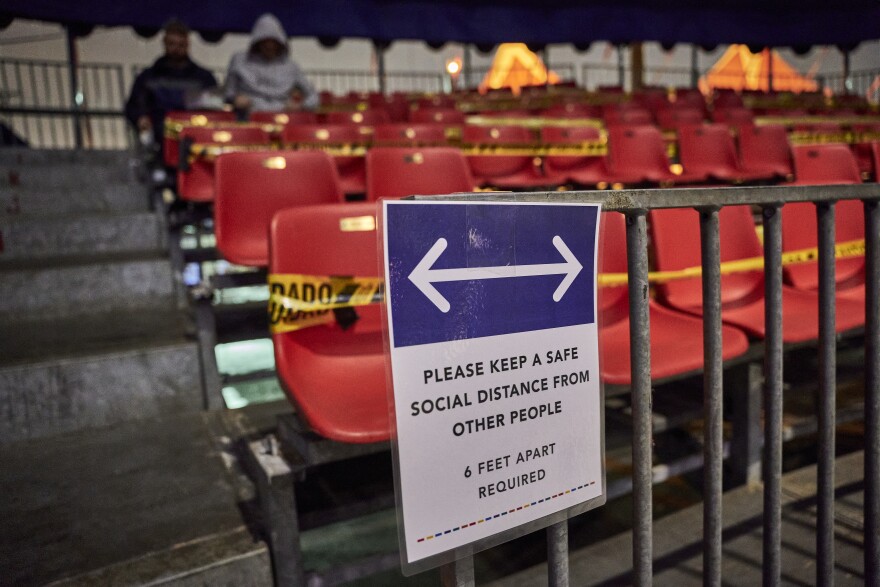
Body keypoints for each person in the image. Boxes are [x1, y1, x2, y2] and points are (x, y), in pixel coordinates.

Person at [125, 19, 218, 149]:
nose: (176, 49)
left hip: (195, 139)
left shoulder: (203, 79)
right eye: (172, 44)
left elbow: (215, 109)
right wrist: (140, 118)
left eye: (181, 45)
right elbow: (134, 106)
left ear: (187, 44)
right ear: (164, 43)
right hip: (159, 140)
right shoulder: (148, 77)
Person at [224, 13, 320, 115]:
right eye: (265, 42)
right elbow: (228, 93)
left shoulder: (292, 67)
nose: (269, 46)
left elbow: (313, 97)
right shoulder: (239, 60)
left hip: (282, 117)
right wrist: (234, 100)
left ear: (280, 43)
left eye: (273, 42)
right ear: (257, 42)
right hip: (247, 116)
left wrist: (301, 106)